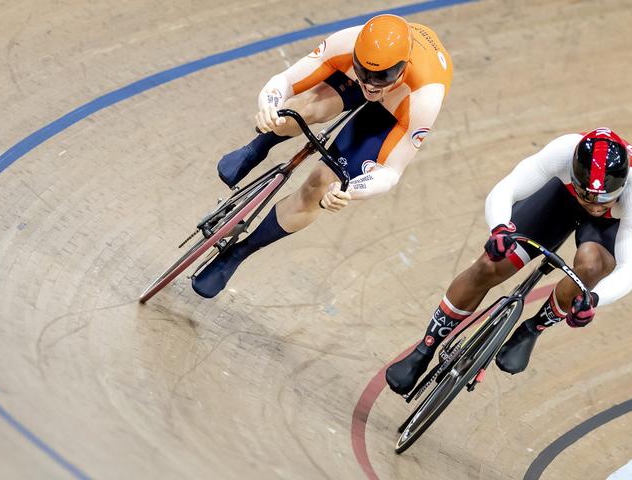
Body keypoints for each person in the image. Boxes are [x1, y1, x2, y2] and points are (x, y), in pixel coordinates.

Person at [192, 14, 453, 298]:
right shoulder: (347, 43)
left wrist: (350, 191)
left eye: (382, 77)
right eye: (364, 72)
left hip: (396, 107)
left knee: (320, 185)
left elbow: (391, 172)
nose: (371, 84)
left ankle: (238, 253)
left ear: (403, 68)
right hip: (360, 78)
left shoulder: (425, 98)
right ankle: (257, 148)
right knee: (304, 108)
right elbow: (286, 81)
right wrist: (270, 107)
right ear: (356, 56)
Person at [386, 128, 632, 394]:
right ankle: (427, 346)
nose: (595, 206)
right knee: (489, 266)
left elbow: (629, 267)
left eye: (605, 199)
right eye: (588, 196)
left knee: (591, 268)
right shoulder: (563, 151)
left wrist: (594, 300)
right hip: (561, 199)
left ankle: (533, 328)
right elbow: (508, 188)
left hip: (608, 225)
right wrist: (500, 229)